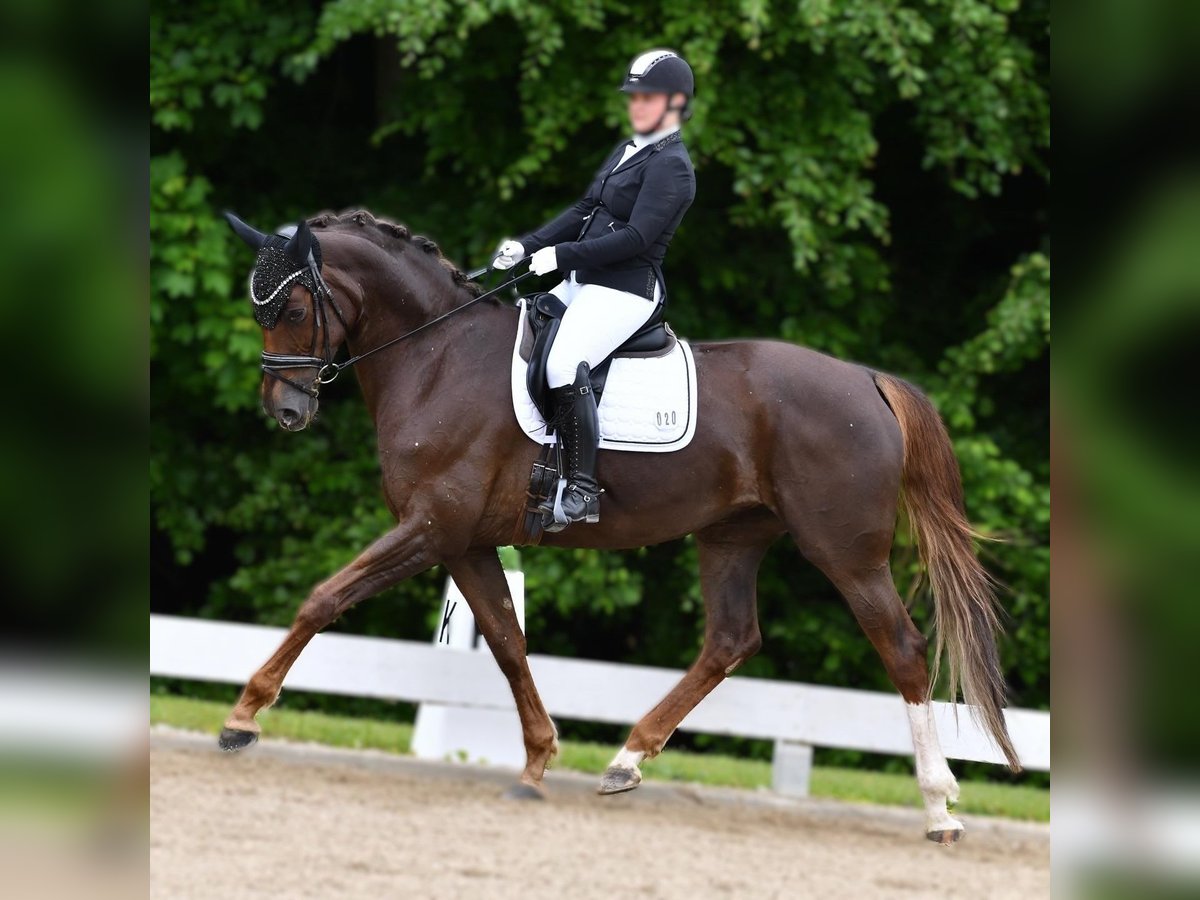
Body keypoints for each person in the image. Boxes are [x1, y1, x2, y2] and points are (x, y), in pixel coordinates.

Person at [494, 49, 697, 531]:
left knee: (565, 363)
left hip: (625, 290)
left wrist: (561, 257)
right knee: (517, 328)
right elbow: (584, 209)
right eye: (634, 97)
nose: (635, 106)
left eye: (646, 98)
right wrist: (527, 246)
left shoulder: (672, 166)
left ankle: (583, 489)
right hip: (585, 283)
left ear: (674, 103)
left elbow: (636, 239)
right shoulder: (630, 149)